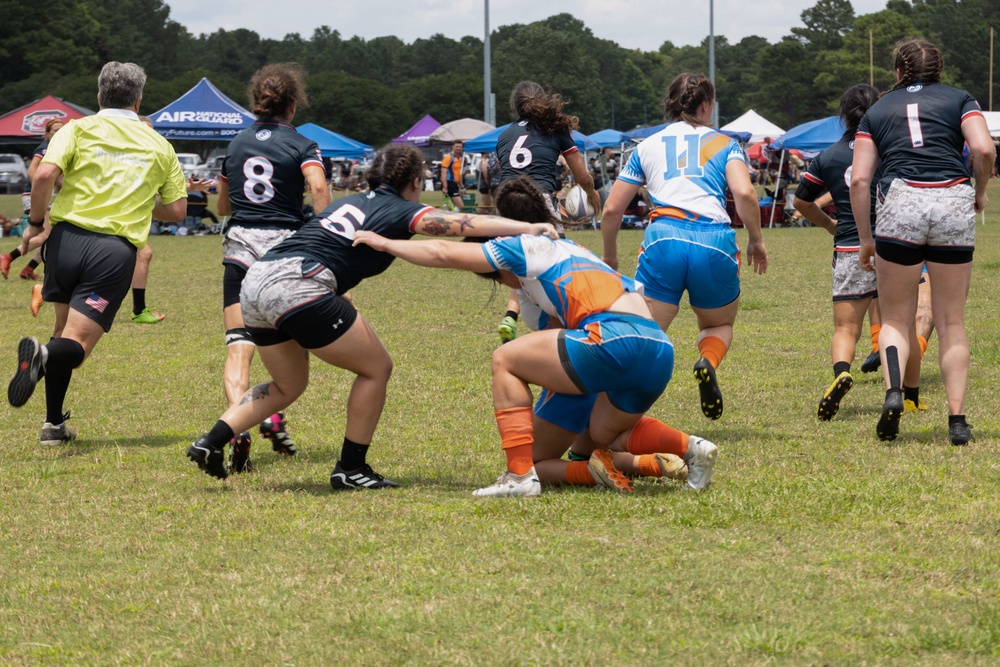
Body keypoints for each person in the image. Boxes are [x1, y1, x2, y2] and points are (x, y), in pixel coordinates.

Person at [185, 143, 559, 485]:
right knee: (377, 368)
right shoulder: (398, 207)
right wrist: (527, 227)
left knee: (286, 386)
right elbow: (462, 224)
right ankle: (351, 468)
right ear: (415, 181)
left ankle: (211, 441)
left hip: (257, 279)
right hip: (299, 284)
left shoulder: (347, 202)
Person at [352, 175, 717, 497]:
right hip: (656, 350)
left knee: (504, 359)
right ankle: (691, 448)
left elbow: (443, 251)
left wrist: (386, 244)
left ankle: (517, 477)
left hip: (611, 336)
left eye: (496, 274)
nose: (504, 279)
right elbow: (559, 352)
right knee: (595, 436)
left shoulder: (526, 245)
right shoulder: (570, 256)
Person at [6, 61, 187, 445]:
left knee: (62, 333)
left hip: (65, 241)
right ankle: (40, 359)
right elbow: (176, 212)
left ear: (99, 97)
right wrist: (138, 199)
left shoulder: (76, 128)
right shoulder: (159, 144)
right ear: (138, 100)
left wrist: (36, 224)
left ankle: (53, 425)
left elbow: (42, 175)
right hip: (111, 250)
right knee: (77, 345)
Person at [850, 38, 994, 445]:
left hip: (901, 203)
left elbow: (859, 179)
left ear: (898, 71)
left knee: (895, 317)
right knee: (951, 321)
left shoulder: (877, 110)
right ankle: (958, 421)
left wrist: (864, 238)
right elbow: (983, 148)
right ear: (939, 70)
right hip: (951, 199)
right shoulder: (960, 98)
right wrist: (979, 191)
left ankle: (894, 392)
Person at [601, 72, 768, 420]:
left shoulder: (645, 146)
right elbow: (745, 193)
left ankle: (613, 413)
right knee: (717, 325)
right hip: (714, 241)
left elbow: (613, 208)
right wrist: (756, 239)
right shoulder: (726, 144)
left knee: (644, 334)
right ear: (706, 105)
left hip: (665, 238)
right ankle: (707, 361)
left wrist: (610, 254)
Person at [214, 63, 330, 473]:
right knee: (290, 353)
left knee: (238, 349)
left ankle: (240, 426)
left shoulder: (236, 143)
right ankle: (269, 415)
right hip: (284, 256)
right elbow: (317, 187)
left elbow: (223, 207)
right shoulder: (303, 144)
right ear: (293, 105)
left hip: (241, 251)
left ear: (255, 103)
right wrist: (326, 233)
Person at [793, 84, 881, 421]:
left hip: (848, 245)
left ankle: (842, 372)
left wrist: (829, 224)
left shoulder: (827, 156)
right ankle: (896, 388)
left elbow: (801, 201)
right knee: (893, 323)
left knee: (845, 329)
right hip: (891, 245)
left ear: (844, 116)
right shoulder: (889, 149)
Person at [494, 81, 602, 343]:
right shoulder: (555, 128)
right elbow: (583, 176)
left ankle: (521, 317)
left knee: (520, 264)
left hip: (505, 204)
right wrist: (593, 198)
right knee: (558, 266)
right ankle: (562, 333)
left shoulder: (503, 136)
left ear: (515, 106)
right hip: (538, 200)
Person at [1, 118, 64, 287]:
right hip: (34, 195)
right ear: (47, 134)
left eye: (61, 130)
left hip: (40, 195)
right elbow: (32, 171)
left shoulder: (57, 149)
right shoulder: (44, 149)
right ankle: (8, 257)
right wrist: (39, 191)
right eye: (55, 130)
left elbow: (58, 179)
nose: (58, 133)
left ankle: (28, 268)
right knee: (45, 235)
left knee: (52, 236)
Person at [440, 140, 465, 210]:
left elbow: (459, 173)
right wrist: (445, 187)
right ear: (453, 147)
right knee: (460, 206)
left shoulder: (459, 158)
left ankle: (449, 218)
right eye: (457, 146)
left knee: (451, 207)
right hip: (449, 183)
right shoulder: (448, 157)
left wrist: (461, 186)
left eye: (460, 147)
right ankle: (450, 217)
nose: (458, 148)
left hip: (455, 184)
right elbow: (443, 173)